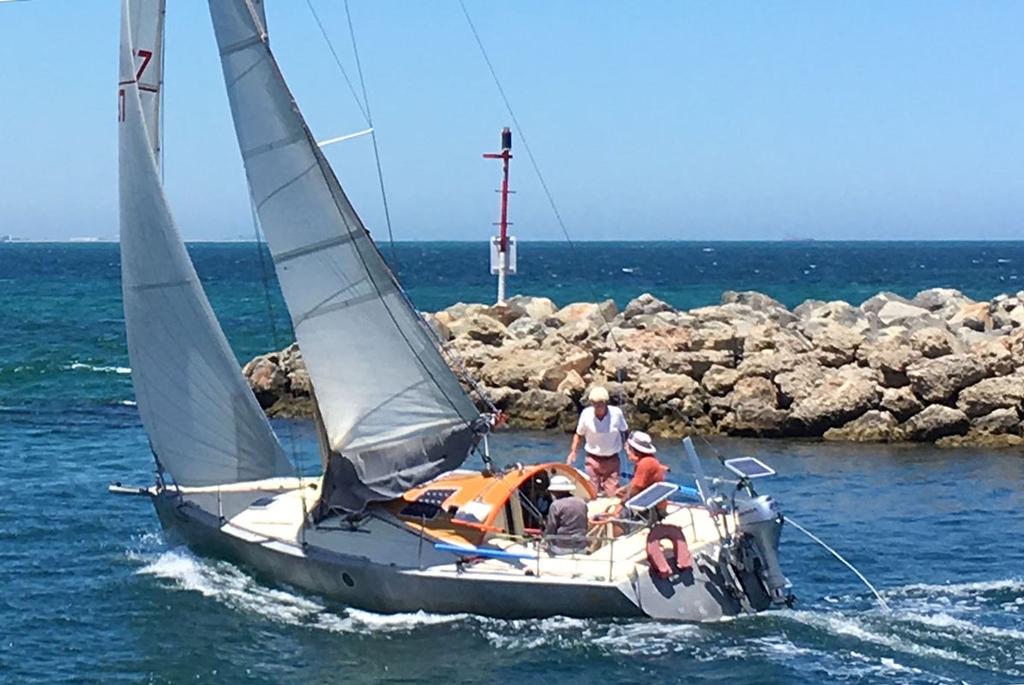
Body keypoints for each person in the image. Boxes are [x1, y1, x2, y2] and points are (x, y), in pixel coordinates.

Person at [566, 386, 628, 496]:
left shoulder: (616, 413)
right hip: (592, 459)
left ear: (606, 403)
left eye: (600, 404)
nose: (597, 407)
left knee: (612, 493)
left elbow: (625, 431)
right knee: (592, 492)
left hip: (612, 460)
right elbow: (579, 434)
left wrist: (628, 448)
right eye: (594, 404)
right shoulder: (586, 414)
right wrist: (573, 451)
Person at [616, 431, 668, 502]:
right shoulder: (649, 460)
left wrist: (620, 506)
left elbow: (635, 488)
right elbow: (637, 484)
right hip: (649, 502)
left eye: (627, 448)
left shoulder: (645, 463)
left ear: (633, 449)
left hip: (650, 508)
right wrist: (625, 489)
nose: (626, 450)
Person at [543, 474, 589, 554]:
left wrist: (545, 538)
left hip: (562, 547)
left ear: (556, 492)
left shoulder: (556, 505)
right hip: (581, 545)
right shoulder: (582, 502)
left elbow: (551, 527)